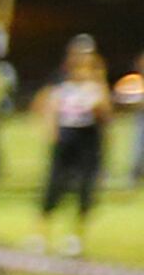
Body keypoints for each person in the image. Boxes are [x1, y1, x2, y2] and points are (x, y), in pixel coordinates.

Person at [40, 35, 113, 253]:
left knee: (84, 190)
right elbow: (47, 105)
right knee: (54, 187)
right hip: (65, 138)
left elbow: (106, 116)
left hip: (88, 140)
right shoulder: (60, 81)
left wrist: (97, 91)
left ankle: (75, 238)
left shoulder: (97, 84)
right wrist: (50, 128)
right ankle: (41, 235)